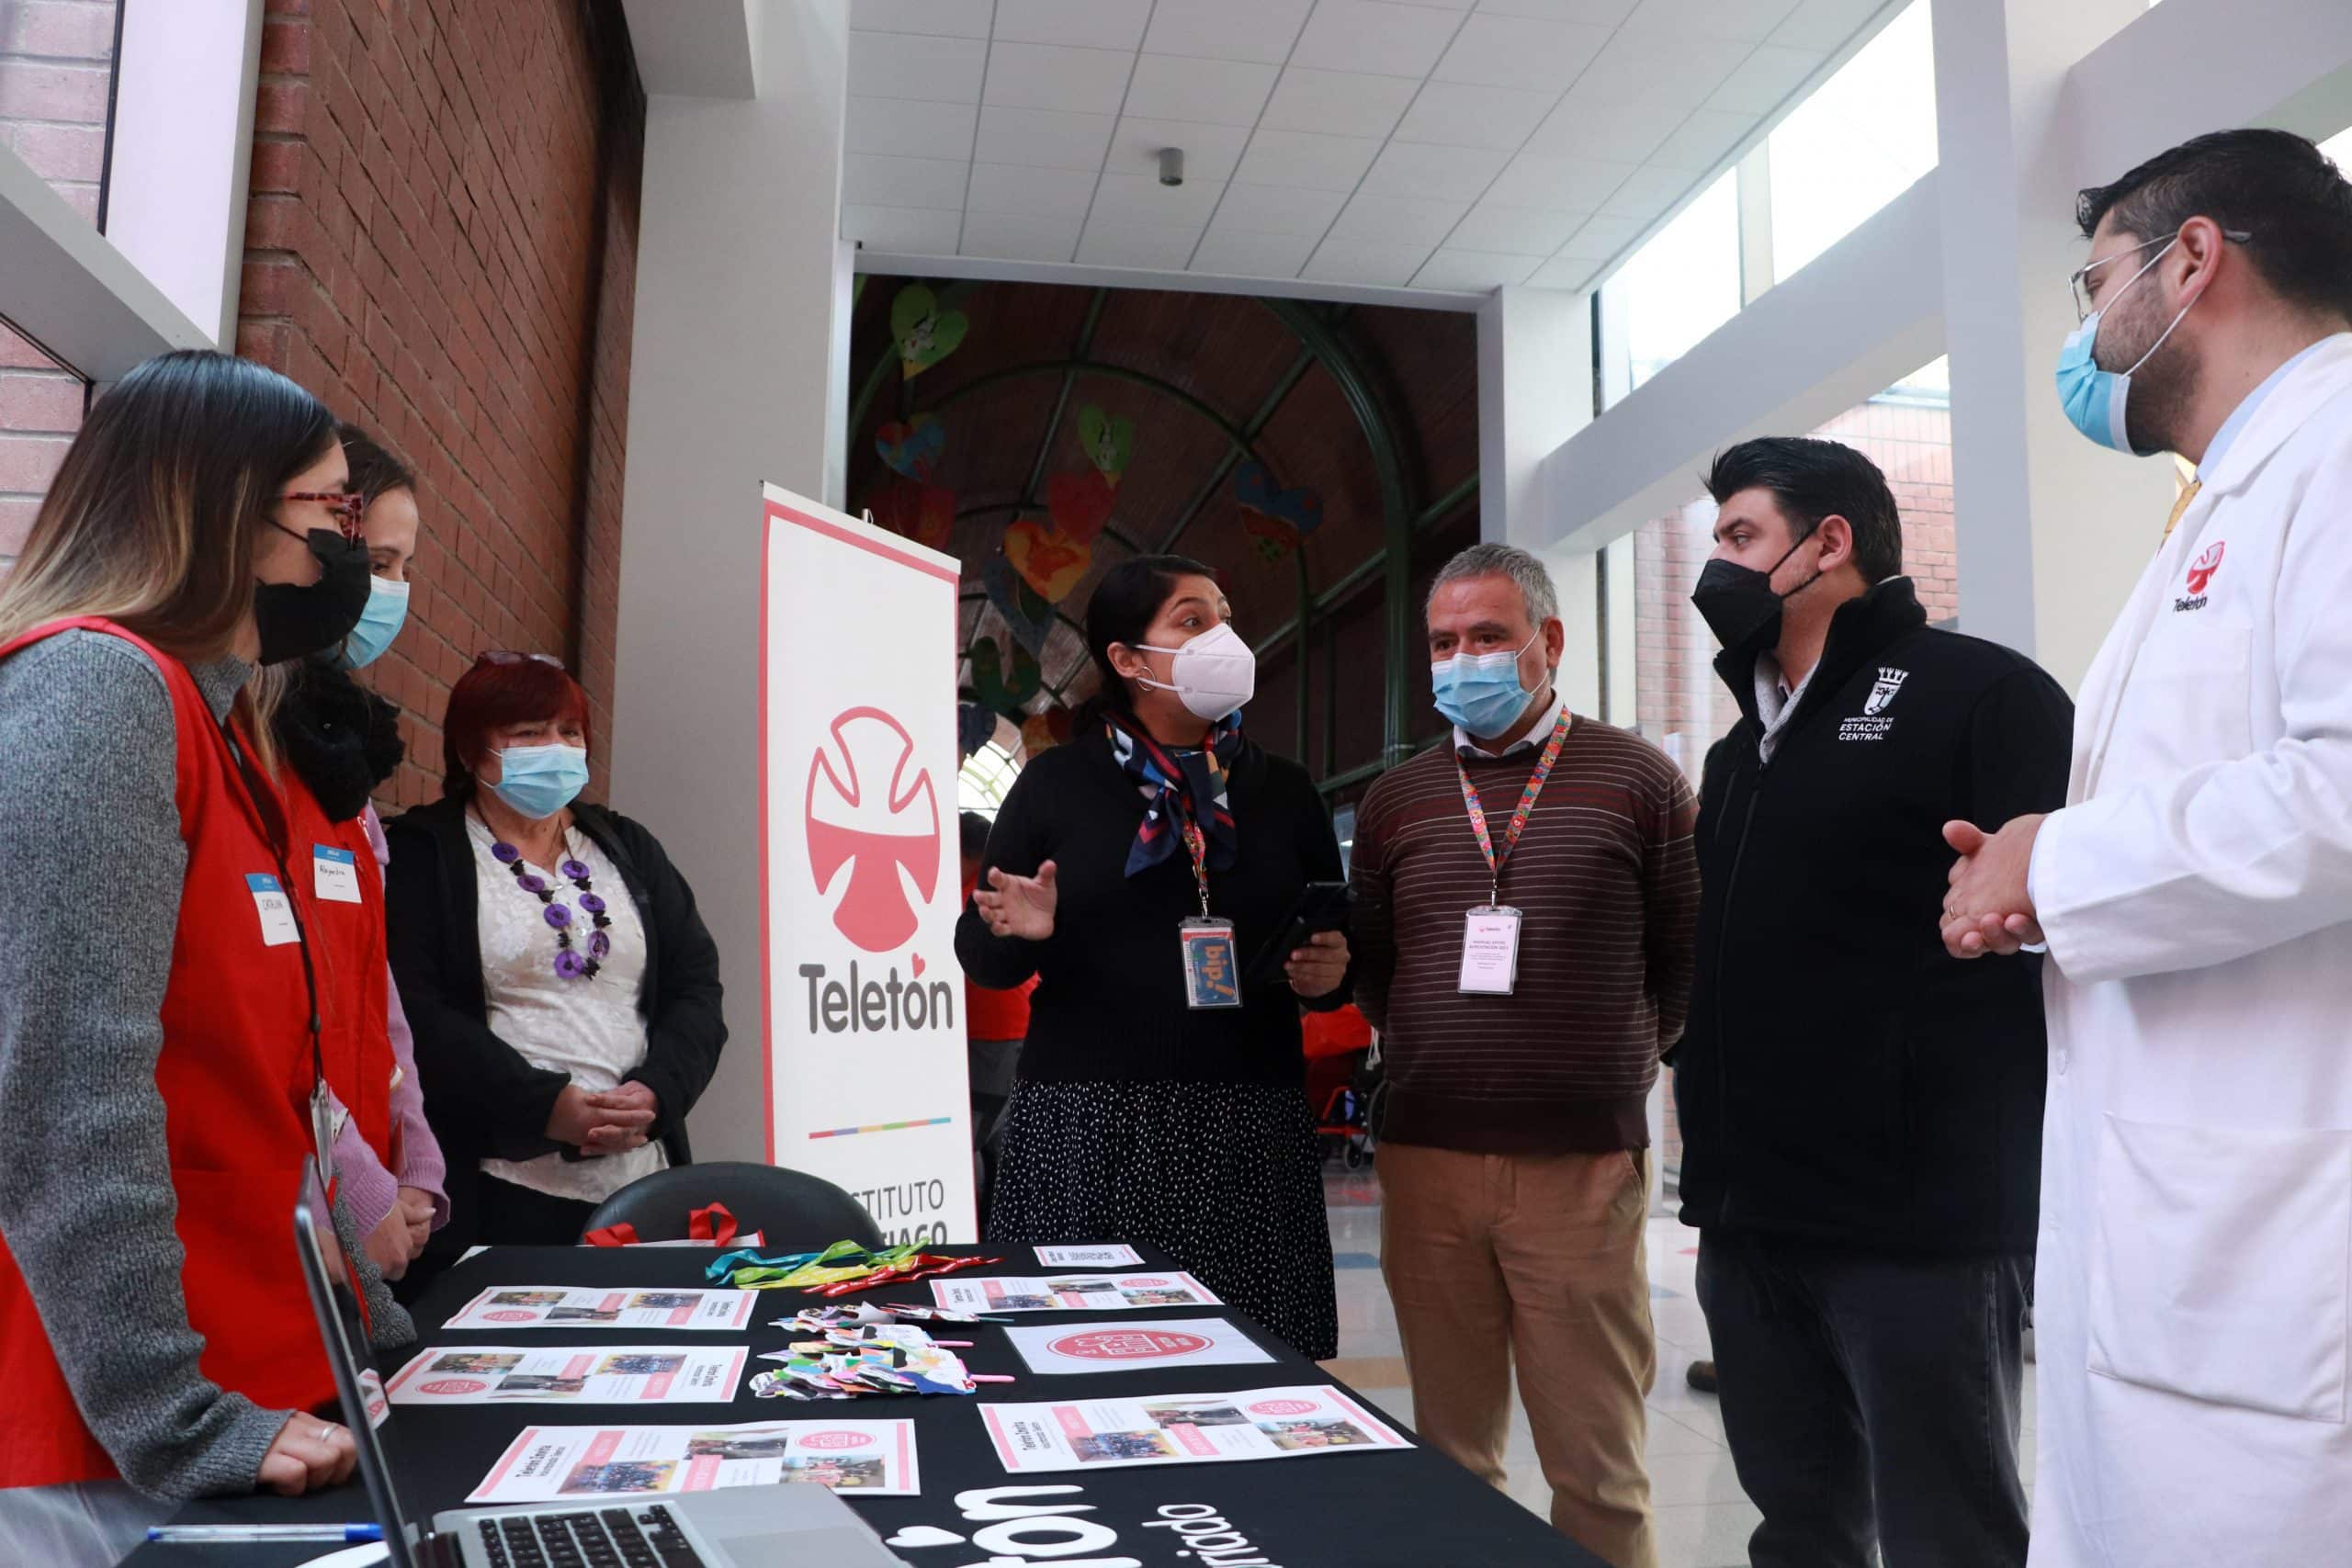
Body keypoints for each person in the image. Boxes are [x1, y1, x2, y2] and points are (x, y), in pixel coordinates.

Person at [1941, 129, 2352, 1568]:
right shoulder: (2232, 497)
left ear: (2193, 260)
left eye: (2095, 278)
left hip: (2275, 1241)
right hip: (2194, 1220)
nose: (2091, 327)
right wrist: (2050, 882)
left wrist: (2056, 863)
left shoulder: (2341, 452)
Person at [0, 351, 375, 1562]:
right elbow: (65, 1092)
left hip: (233, 1405)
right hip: (104, 1445)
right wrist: (175, 1416)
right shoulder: (98, 690)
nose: (349, 554)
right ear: (220, 508)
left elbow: (247, 1100)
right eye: (333, 514)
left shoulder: (201, 723)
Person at [1678, 438, 2073, 1568]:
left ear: (1829, 542)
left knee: (1948, 1530)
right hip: (1750, 1217)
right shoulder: (1741, 749)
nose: (1719, 566)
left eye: (1739, 536)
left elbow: (2055, 929)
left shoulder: (1983, 694)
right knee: (1799, 1526)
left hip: (1917, 1224)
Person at [1349, 542, 1700, 1568]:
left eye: (1488, 637)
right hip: (1427, 1163)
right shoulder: (1397, 801)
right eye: (1444, 642)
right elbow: (1379, 970)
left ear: (1546, 641)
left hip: (1580, 1170)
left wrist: (1605, 1065)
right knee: (1450, 1454)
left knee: (1595, 1465)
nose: (1464, 660)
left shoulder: (1636, 779)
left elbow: (1679, 957)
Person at [956, 555, 1351, 1359]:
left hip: (1248, 1128)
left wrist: (1330, 971)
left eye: (1225, 615)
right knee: (1080, 1360)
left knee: (1249, 1373)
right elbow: (980, 954)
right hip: (1088, 1123)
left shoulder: (1286, 792)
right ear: (1128, 660)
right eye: (1192, 620)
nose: (1223, 636)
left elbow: (1331, 940)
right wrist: (1012, 928)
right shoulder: (1055, 785)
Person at [385, 653, 726, 1269]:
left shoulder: (628, 847)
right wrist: (545, 1107)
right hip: (498, 1187)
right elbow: (415, 1010)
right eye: (527, 734)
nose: (556, 747)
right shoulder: (422, 853)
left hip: (641, 1183)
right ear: (470, 753)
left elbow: (696, 986)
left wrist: (657, 1091)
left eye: (569, 732)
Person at [265, 423, 449, 1283]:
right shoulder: (244, 747)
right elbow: (257, 1023)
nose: (392, 591)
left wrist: (411, 1161)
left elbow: (379, 1003)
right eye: (376, 561)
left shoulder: (347, 779)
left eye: (404, 569)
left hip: (354, 1220)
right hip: (278, 1222)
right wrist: (357, 1182)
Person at [958, 809, 1034, 1213]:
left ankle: (984, 1229)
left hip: (992, 1033)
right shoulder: (995, 886)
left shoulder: (968, 891)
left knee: (972, 1135)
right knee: (1000, 1134)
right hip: (1014, 1028)